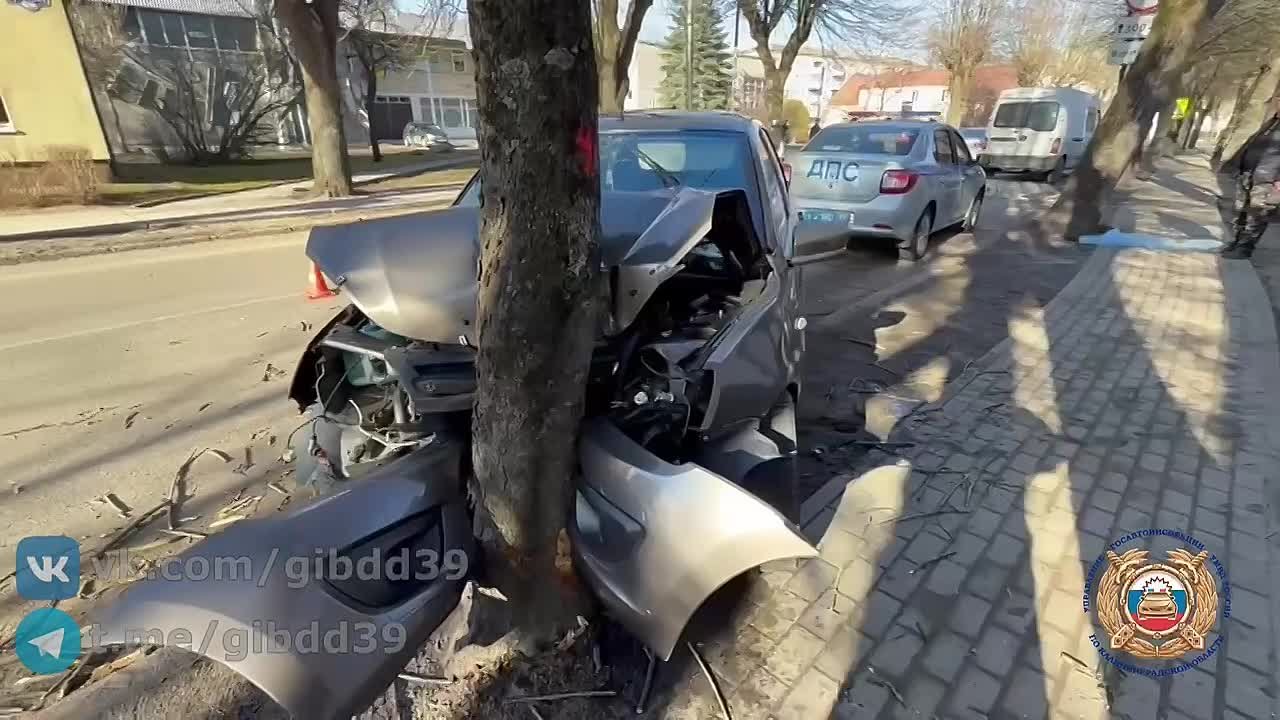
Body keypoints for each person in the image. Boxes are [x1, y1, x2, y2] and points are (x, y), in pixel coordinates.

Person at [1220, 91, 1280, 259]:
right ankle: (1237, 242)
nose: (1278, 103)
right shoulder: (1272, 123)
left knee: (1258, 214)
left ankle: (1245, 249)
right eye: (1278, 99)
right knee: (1242, 212)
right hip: (1251, 175)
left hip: (1269, 180)